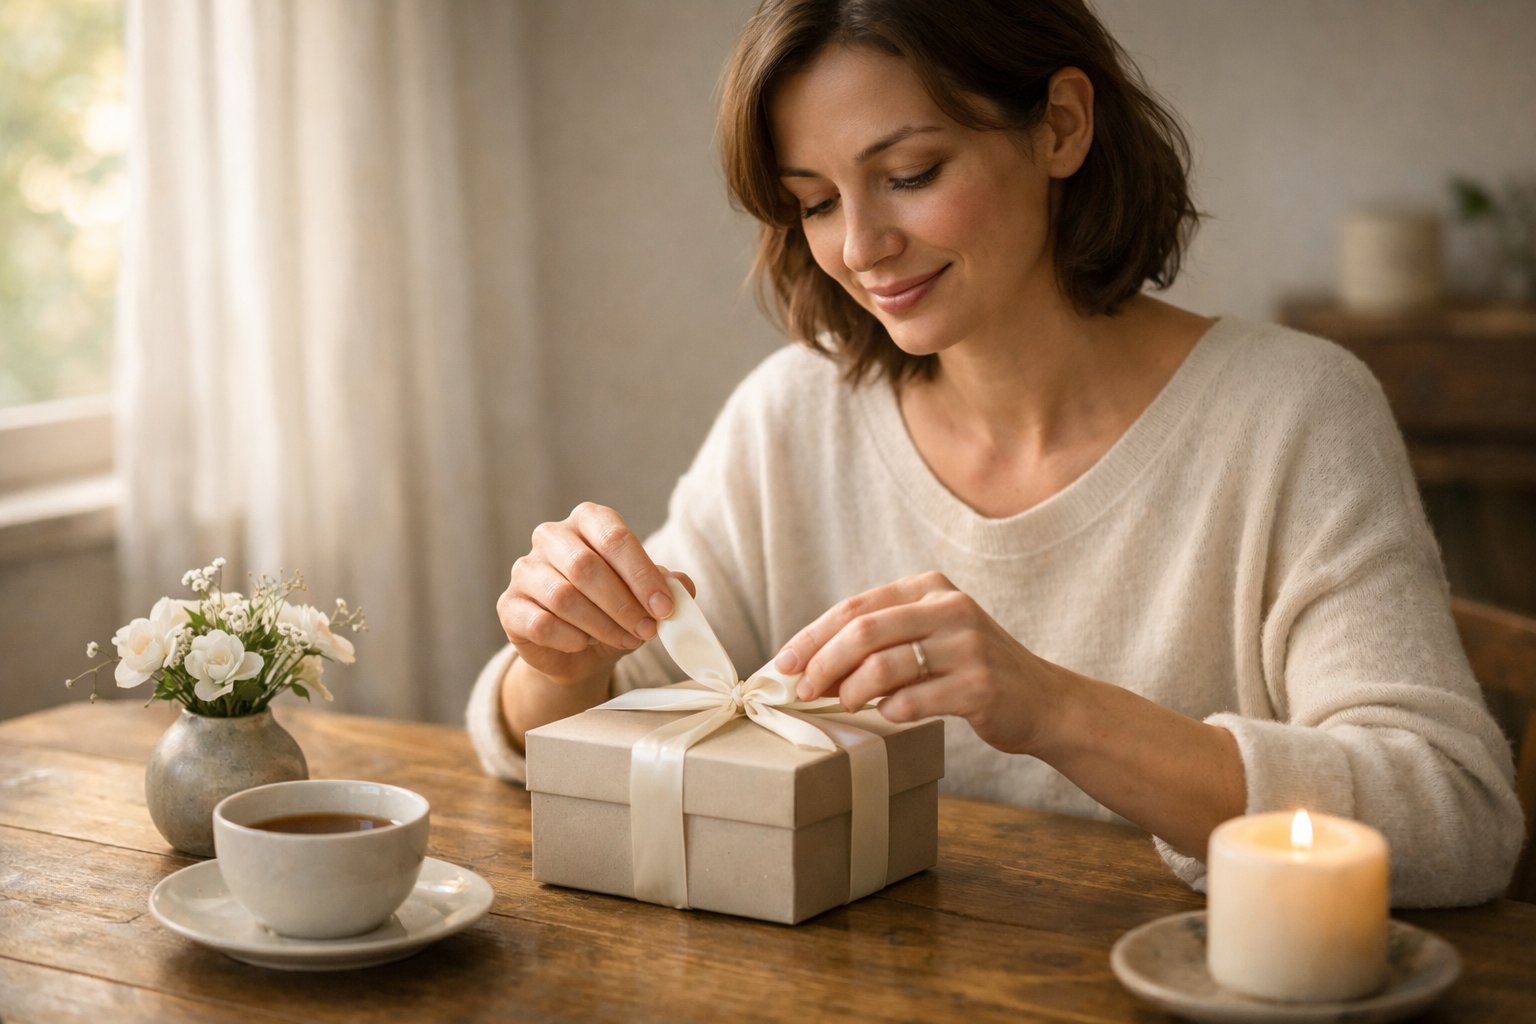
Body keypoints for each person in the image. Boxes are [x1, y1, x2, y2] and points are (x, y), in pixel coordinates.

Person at [466, 0, 1523, 906]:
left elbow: (1458, 817)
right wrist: (561, 660)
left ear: (1061, 126)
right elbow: (590, 732)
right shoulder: (793, 416)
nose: (861, 248)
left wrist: (1053, 708)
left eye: (912, 172)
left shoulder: (1293, 413)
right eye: (817, 201)